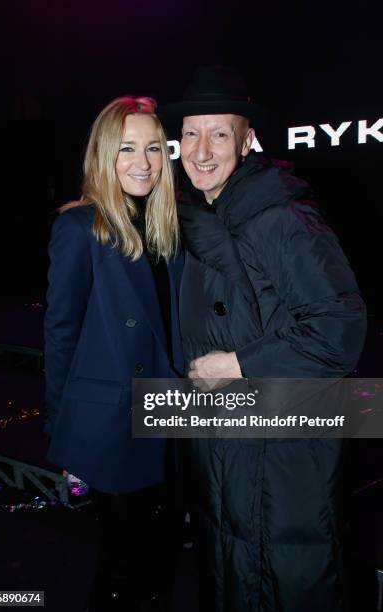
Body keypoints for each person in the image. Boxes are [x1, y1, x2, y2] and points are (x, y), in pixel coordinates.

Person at [161, 66, 367, 611]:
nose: (202, 150)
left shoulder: (282, 215)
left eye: (219, 134)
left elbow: (338, 329)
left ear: (247, 138)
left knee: (289, 578)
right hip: (226, 442)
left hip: (283, 448)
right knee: (231, 572)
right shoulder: (199, 210)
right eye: (190, 135)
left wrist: (237, 364)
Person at [44, 96, 183, 612]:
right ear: (103, 153)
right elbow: (61, 333)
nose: (142, 162)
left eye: (152, 148)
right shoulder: (82, 227)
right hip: (112, 423)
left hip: (169, 417)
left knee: (160, 560)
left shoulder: (168, 225)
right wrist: (63, 435)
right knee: (125, 567)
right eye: (127, 148)